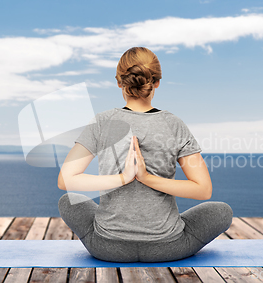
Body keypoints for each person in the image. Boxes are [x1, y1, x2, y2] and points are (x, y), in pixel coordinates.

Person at [57, 47, 233, 262]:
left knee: (68, 200)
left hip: (107, 248)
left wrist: (122, 178)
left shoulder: (102, 122)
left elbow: (66, 180)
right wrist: (148, 178)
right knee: (222, 211)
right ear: (156, 82)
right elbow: (203, 190)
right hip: (168, 248)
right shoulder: (173, 124)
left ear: (119, 81)